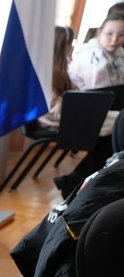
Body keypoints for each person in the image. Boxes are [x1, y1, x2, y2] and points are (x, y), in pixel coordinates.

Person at [43, 24, 121, 199]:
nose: (72, 47)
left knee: (114, 127)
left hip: (71, 114)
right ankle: (82, 180)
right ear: (62, 46)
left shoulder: (62, 68)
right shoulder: (48, 72)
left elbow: (75, 93)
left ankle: (78, 180)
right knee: (116, 127)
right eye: (70, 44)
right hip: (58, 119)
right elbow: (54, 109)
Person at [68, 6, 124, 90]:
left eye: (121, 35)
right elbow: (99, 92)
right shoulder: (93, 56)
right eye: (109, 34)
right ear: (99, 32)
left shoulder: (118, 50)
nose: (114, 39)